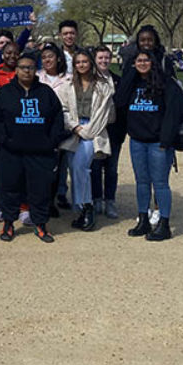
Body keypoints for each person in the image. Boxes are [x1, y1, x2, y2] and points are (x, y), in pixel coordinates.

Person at [0, 51, 65, 243]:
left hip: (40, 152)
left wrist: (51, 141)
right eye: (23, 67)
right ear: (16, 70)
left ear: (35, 70)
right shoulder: (4, 93)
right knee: (8, 188)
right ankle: (8, 223)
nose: (27, 71)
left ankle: (40, 224)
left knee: (40, 190)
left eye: (31, 68)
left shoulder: (46, 93)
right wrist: (6, 141)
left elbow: (57, 118)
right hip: (11, 152)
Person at [114, 49, 183, 241]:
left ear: (153, 62)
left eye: (146, 60)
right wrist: (129, 74)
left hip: (158, 142)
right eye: (138, 60)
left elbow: (173, 113)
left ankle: (164, 224)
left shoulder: (166, 82)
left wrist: (166, 140)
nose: (142, 63)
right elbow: (119, 102)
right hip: (137, 140)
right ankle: (143, 218)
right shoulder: (132, 83)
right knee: (142, 182)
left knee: (160, 183)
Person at [58, 49, 114, 231]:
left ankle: (87, 208)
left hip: (94, 129)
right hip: (74, 130)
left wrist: (88, 130)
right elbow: (63, 109)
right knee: (74, 169)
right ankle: (81, 209)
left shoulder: (103, 85)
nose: (82, 65)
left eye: (85, 61)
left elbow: (105, 114)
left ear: (91, 63)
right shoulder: (67, 85)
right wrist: (75, 127)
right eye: (78, 62)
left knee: (81, 166)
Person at [91, 46, 126, 219]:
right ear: (95, 59)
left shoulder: (117, 80)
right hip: (96, 130)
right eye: (100, 58)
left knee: (111, 169)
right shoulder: (89, 80)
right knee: (96, 167)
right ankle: (97, 198)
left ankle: (110, 200)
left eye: (106, 58)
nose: (104, 61)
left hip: (113, 131)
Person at [37, 42, 71, 214]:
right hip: (39, 128)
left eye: (50, 56)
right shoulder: (36, 77)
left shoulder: (69, 78)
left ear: (58, 58)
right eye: (43, 57)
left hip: (61, 127)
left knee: (57, 168)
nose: (47, 60)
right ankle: (39, 201)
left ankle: (52, 200)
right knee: (41, 167)